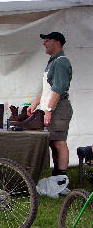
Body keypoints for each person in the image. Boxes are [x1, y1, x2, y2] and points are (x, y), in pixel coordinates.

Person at [27, 32, 72, 177]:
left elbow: (58, 89)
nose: (44, 43)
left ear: (57, 43)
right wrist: (35, 103)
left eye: (47, 40)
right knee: (53, 142)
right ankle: (56, 175)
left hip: (59, 108)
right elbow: (48, 88)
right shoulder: (53, 61)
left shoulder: (61, 62)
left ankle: (61, 178)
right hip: (51, 107)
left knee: (59, 142)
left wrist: (49, 110)